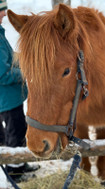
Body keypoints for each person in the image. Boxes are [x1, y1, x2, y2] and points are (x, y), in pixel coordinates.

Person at [0, 0, 40, 183]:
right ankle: (15, 172)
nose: (3, 14)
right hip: (7, 99)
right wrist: (25, 71)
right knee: (14, 134)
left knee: (19, 129)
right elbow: (3, 74)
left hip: (10, 98)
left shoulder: (0, 34)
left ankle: (21, 163)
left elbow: (7, 59)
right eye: (1, 11)